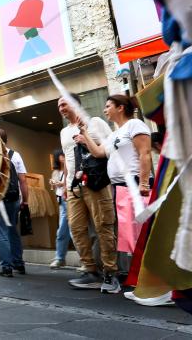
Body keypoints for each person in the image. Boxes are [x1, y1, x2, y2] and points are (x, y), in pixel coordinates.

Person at [77, 95, 152, 277]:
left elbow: (145, 153)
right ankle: (140, 279)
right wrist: (84, 133)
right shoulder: (113, 134)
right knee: (131, 236)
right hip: (119, 188)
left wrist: (143, 183)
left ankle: (154, 281)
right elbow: (99, 152)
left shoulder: (135, 125)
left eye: (108, 106)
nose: (104, 110)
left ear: (120, 107)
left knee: (142, 234)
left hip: (134, 185)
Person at [58, 94, 119, 294]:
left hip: (96, 182)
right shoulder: (63, 132)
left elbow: (110, 149)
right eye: (59, 106)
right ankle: (90, 271)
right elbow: (67, 161)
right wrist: (66, 185)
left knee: (103, 226)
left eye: (64, 103)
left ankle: (111, 272)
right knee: (76, 228)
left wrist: (86, 141)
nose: (61, 108)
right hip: (73, 186)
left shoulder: (95, 123)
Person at [0, 128, 28, 277]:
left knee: (1, 233)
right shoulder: (15, 155)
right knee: (13, 231)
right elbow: (23, 180)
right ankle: (19, 264)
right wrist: (25, 201)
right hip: (13, 199)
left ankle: (6, 267)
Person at [49, 149, 71, 269]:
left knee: (72, 231)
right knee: (63, 231)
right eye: (60, 156)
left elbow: (68, 183)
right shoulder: (56, 171)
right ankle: (60, 258)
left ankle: (86, 261)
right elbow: (54, 186)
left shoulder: (71, 167)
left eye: (63, 155)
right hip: (61, 200)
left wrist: (60, 183)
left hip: (70, 199)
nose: (62, 157)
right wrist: (53, 183)